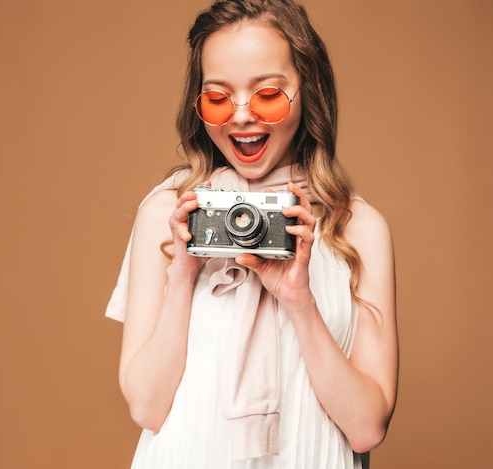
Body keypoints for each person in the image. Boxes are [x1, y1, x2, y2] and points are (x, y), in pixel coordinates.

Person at [106, 0, 398, 467]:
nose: (241, 117)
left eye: (267, 95)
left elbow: (366, 429)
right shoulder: (169, 214)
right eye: (218, 98)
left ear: (308, 91)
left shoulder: (357, 229)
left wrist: (300, 301)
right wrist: (183, 273)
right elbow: (147, 406)